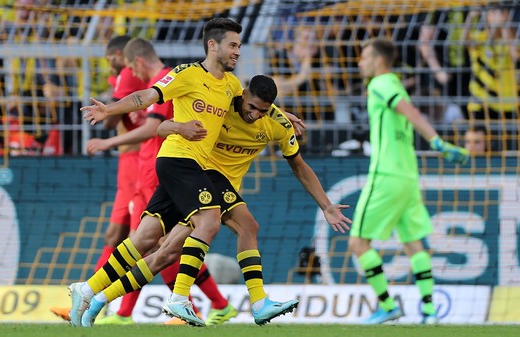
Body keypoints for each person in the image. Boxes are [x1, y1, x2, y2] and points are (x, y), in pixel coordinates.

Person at [75, 74, 351, 328]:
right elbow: (161, 128)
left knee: (165, 251)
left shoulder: (276, 124)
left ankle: (96, 296)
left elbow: (299, 166)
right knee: (246, 226)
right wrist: (179, 127)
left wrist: (326, 205)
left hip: (209, 185)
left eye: (263, 111)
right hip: (197, 174)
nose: (255, 115)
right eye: (252, 107)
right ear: (243, 95)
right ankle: (245, 301)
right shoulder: (219, 106)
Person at [72, 17, 261, 327]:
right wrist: (110, 109)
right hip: (176, 160)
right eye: (232, 45)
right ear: (212, 45)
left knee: (146, 237)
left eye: (239, 46)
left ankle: (88, 289)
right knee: (209, 219)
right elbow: (146, 97)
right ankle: (179, 300)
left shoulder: (231, 85)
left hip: (191, 167)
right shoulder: (186, 74)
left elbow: (250, 110)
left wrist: (281, 117)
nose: (237, 52)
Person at [347, 38, 469, 325]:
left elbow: (411, 113)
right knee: (415, 244)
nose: (360, 62)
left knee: (357, 243)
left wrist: (437, 141)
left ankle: (388, 306)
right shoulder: (397, 84)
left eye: (364, 56)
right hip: (408, 176)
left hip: (386, 175)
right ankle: (429, 311)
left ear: (378, 60)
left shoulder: (381, 84)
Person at [50, 35, 146, 321]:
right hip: (130, 163)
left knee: (142, 239)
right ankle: (89, 300)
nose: (111, 64)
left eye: (110, 59)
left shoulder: (127, 74)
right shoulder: (129, 76)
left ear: (120, 55)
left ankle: (119, 309)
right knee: (118, 236)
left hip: (138, 164)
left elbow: (113, 121)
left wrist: (109, 102)